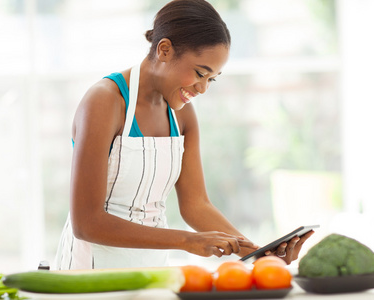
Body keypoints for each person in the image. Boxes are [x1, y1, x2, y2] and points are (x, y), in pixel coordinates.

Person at [54, 0, 313, 270]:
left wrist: (259, 254)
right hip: (89, 271)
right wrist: (187, 241)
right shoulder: (105, 101)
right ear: (164, 50)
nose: (202, 89)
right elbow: (87, 223)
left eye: (212, 79)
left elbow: (196, 204)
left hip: (152, 269)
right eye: (200, 73)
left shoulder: (182, 114)